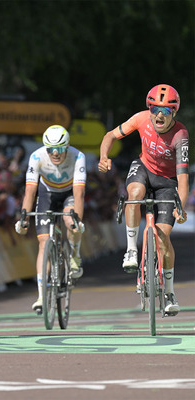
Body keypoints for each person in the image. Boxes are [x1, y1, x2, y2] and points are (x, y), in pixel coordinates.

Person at [98, 84, 189, 316]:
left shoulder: (181, 135)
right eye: (155, 109)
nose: (159, 115)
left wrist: (182, 206)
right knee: (135, 194)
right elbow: (110, 135)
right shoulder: (140, 119)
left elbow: (183, 178)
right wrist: (104, 156)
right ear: (149, 109)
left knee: (162, 239)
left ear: (174, 114)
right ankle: (130, 250)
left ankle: (168, 292)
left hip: (167, 182)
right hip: (143, 169)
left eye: (166, 111)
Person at [15, 125, 86, 313]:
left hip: (69, 193)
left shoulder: (78, 157)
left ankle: (75, 256)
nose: (55, 153)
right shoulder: (37, 157)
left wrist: (77, 220)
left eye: (60, 149)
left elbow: (79, 194)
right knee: (43, 242)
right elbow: (30, 190)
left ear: (67, 147)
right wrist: (24, 217)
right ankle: (41, 296)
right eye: (51, 149)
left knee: (71, 222)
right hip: (47, 194)